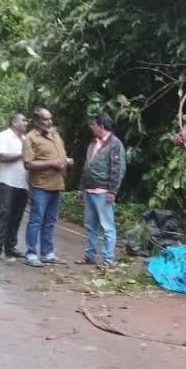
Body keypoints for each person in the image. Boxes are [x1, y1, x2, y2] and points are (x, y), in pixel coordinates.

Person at [21, 107, 73, 267]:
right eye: (45, 119)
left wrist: (65, 160)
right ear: (37, 121)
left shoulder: (55, 134)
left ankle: (47, 253)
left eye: (50, 118)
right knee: (36, 220)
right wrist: (52, 163)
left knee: (50, 221)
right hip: (40, 186)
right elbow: (28, 163)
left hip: (57, 184)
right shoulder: (30, 138)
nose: (49, 122)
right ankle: (31, 254)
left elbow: (58, 155)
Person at [77, 113, 126, 268]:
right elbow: (87, 167)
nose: (92, 127)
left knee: (107, 227)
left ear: (101, 126)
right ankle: (89, 256)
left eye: (94, 124)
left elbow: (118, 169)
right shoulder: (93, 143)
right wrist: (81, 189)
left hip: (103, 191)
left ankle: (108, 259)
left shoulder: (115, 144)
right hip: (90, 190)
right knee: (90, 226)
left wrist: (112, 191)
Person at [0, 113, 28, 261]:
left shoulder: (25, 139)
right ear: (13, 122)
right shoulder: (3, 136)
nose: (26, 123)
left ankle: (10, 248)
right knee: (5, 214)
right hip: (7, 182)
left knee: (17, 217)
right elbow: (2, 157)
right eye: (23, 120)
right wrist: (21, 154)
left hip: (23, 184)